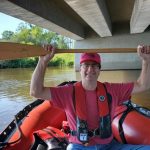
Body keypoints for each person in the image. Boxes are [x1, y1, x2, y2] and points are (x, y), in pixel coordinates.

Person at [30, 44, 150, 150]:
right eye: (86, 65)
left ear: (99, 70)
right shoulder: (67, 92)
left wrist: (146, 61)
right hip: (78, 146)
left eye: (94, 65)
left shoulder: (112, 90)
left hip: (109, 146)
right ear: (80, 68)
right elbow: (36, 91)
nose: (90, 69)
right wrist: (43, 61)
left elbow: (143, 85)